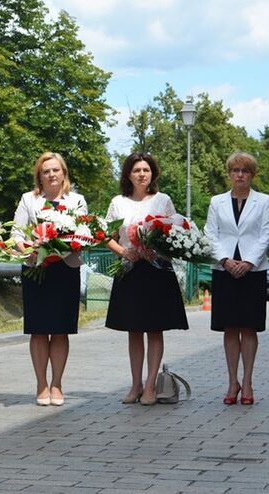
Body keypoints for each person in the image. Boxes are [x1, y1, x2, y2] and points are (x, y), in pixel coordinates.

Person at [104, 152, 189, 406]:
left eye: (146, 170)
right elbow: (105, 234)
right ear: (128, 174)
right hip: (130, 268)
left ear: (153, 174)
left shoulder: (163, 200)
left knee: (154, 329)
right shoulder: (118, 202)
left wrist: (155, 248)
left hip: (156, 269)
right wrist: (124, 251)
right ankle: (135, 384)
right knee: (133, 329)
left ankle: (151, 385)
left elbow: (174, 234)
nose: (142, 174)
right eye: (136, 170)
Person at [12, 152, 86, 407]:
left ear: (64, 173)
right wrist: (29, 249)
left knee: (61, 330)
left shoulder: (76, 201)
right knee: (39, 330)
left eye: (56, 170)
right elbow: (16, 234)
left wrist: (67, 246)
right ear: (39, 176)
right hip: (37, 269)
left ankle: (57, 384)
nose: (52, 175)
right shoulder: (28, 200)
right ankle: (41, 384)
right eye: (46, 171)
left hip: (65, 269)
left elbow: (84, 232)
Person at [204, 152, 269, 406]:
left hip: (252, 270)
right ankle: (232, 381)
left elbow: (267, 232)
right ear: (229, 174)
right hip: (224, 269)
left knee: (249, 326)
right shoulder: (217, 202)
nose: (240, 175)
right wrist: (225, 259)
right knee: (230, 326)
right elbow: (210, 233)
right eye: (235, 171)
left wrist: (248, 262)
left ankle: (247, 382)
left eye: (245, 171)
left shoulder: (263, 201)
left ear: (252, 175)